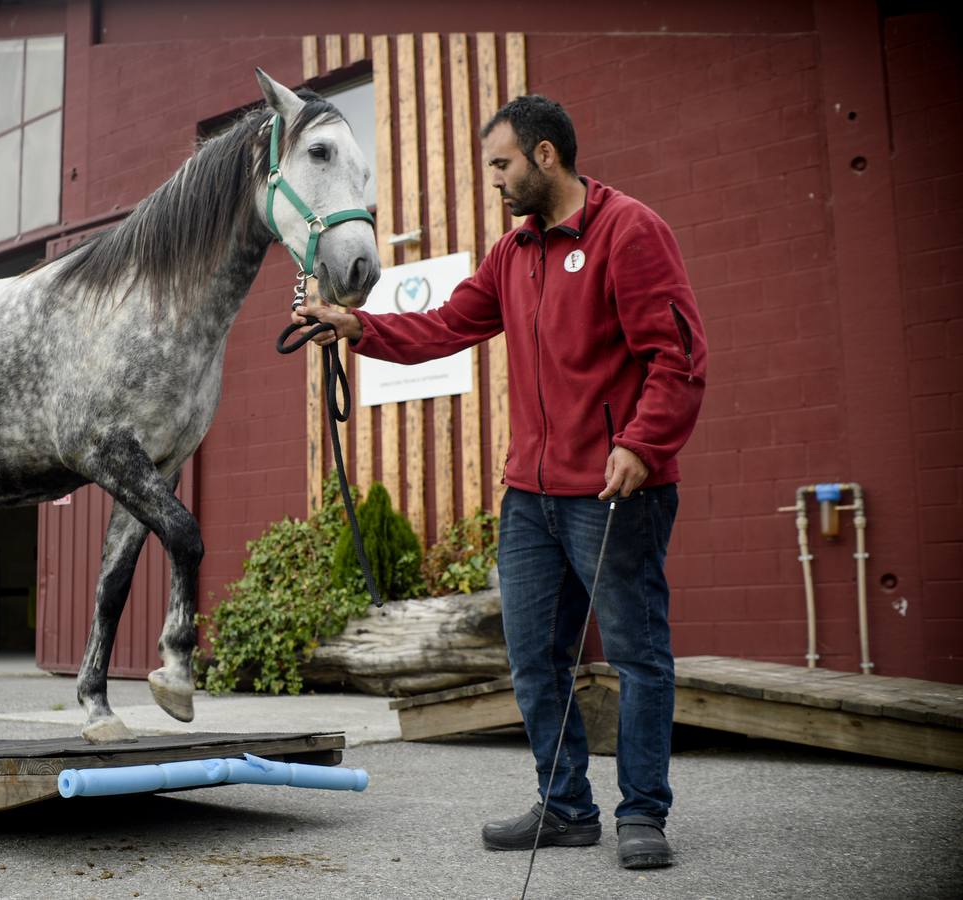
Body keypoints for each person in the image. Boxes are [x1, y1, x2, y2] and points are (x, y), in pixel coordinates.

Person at [292, 94, 706, 870]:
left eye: (502, 164)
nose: (496, 181)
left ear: (546, 156)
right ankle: (567, 807)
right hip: (532, 498)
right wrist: (359, 328)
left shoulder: (630, 232)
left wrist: (643, 446)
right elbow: (447, 324)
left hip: (618, 490)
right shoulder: (511, 254)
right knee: (533, 658)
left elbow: (676, 357)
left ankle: (642, 814)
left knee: (637, 656)